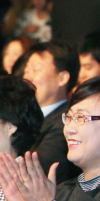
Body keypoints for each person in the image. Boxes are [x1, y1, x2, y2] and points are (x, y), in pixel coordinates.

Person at [21, 40, 80, 180]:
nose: (27, 77)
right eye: (26, 71)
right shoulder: (23, 118)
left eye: (36, 69)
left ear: (62, 78)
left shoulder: (67, 122)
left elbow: (39, 169)